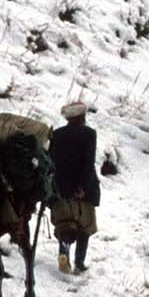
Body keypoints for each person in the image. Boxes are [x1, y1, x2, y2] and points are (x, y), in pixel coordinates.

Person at [48, 101, 100, 274]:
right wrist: (83, 186)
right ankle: (79, 263)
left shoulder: (57, 134)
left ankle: (64, 249)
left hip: (61, 189)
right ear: (82, 117)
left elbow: (51, 162)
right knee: (85, 225)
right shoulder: (89, 134)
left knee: (65, 224)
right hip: (83, 189)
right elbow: (88, 163)